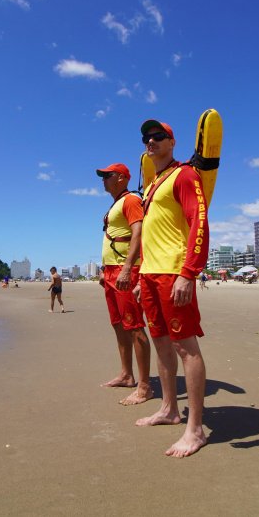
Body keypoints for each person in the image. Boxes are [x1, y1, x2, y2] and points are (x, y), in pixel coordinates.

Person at [133, 118, 209, 458]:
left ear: (172, 142)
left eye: (158, 137)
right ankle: (169, 409)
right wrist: (139, 277)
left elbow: (199, 222)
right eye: (147, 138)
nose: (151, 142)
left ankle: (195, 429)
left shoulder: (185, 175)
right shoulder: (151, 186)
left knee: (185, 347)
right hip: (150, 275)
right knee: (161, 343)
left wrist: (188, 273)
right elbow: (151, 235)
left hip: (173, 273)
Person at [97, 163, 153, 406]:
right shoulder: (116, 203)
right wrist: (102, 268)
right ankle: (126, 375)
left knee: (135, 325)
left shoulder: (130, 200)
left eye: (107, 176)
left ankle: (145, 386)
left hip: (125, 270)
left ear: (121, 178)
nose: (103, 180)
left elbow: (138, 234)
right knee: (119, 324)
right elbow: (112, 237)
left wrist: (128, 268)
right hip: (111, 271)